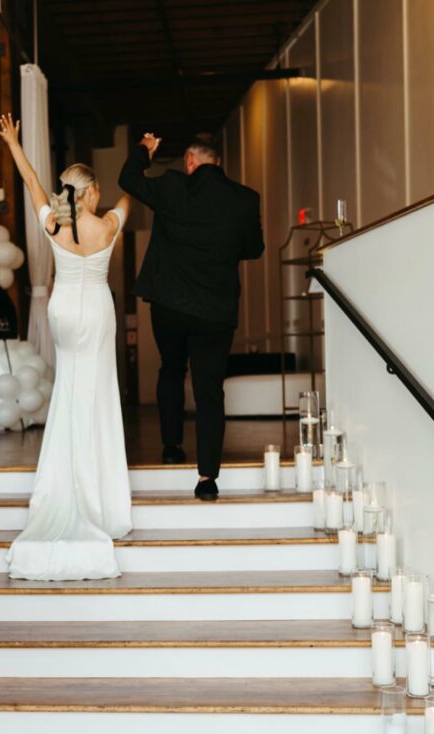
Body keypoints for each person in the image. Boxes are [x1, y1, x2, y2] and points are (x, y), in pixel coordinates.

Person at [0, 113, 132, 580]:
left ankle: (62, 479)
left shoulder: (53, 224)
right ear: (92, 192)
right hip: (95, 310)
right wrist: (142, 160)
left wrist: (14, 142)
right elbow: (131, 196)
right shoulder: (109, 226)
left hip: (62, 316)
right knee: (96, 392)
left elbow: (31, 180)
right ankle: (99, 492)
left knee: (71, 386)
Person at [119, 131, 265, 501]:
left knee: (171, 369)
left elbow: (128, 180)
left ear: (189, 161)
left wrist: (144, 151)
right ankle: (207, 478)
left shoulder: (171, 188)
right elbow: (254, 249)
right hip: (216, 310)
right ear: (217, 162)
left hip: (169, 304)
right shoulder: (245, 199)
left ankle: (171, 446)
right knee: (209, 391)